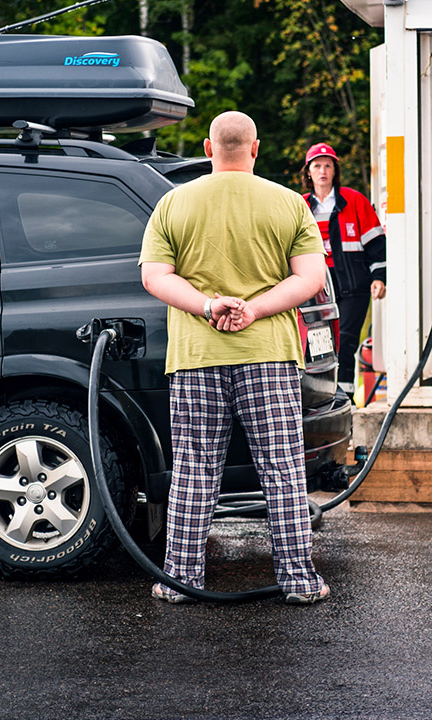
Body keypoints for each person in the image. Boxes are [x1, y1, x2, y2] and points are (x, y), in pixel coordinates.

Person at [138, 110, 331, 606]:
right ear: (256, 148)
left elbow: (155, 277)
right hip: (268, 355)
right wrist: (255, 309)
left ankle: (180, 580)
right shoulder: (289, 203)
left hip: (196, 356)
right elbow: (309, 279)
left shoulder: (172, 203)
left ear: (207, 148)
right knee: (283, 470)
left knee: (195, 470)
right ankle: (299, 581)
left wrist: (208, 306)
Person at [300, 142, 386, 394]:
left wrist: (379, 276)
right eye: (317, 166)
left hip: (353, 285)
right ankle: (321, 395)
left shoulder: (354, 201)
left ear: (335, 171)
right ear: (308, 172)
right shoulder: (300, 205)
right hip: (316, 287)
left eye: (328, 165)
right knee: (316, 342)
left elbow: (376, 243)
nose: (323, 171)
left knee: (346, 340)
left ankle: (345, 395)